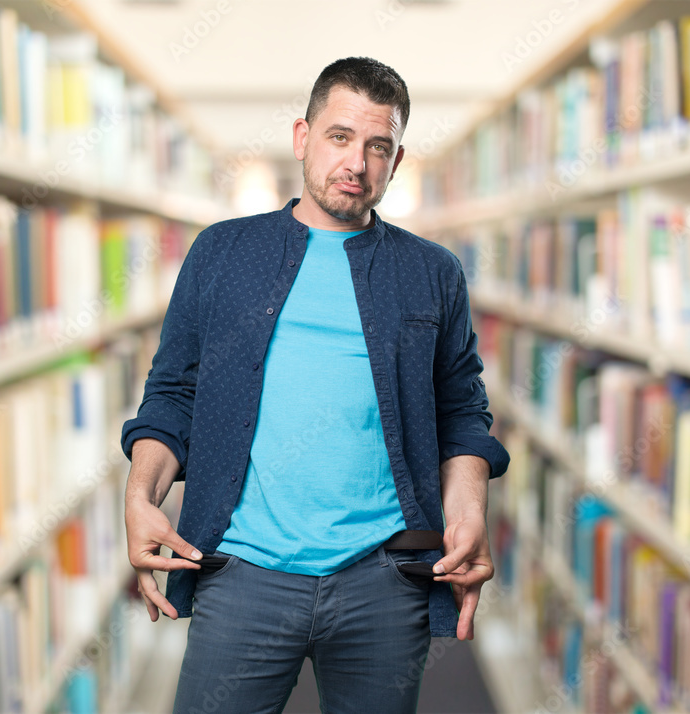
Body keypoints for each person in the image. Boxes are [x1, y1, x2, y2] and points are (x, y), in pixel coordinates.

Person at [120, 56, 509, 714]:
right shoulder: (221, 253)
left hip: (385, 581)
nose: (356, 162)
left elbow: (462, 412)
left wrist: (468, 506)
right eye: (339, 137)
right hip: (241, 575)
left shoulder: (433, 272)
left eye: (377, 146)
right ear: (302, 137)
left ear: (396, 158)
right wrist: (140, 492)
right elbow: (173, 396)